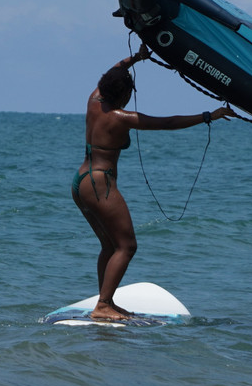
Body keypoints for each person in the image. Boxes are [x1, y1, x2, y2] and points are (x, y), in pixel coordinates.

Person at [71, 43, 233, 321]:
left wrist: (137, 57)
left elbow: (114, 71)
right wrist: (208, 116)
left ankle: (105, 302)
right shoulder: (121, 119)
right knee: (127, 246)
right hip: (101, 184)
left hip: (81, 181)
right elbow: (167, 123)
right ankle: (103, 305)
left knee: (110, 246)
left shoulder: (94, 99)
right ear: (123, 93)